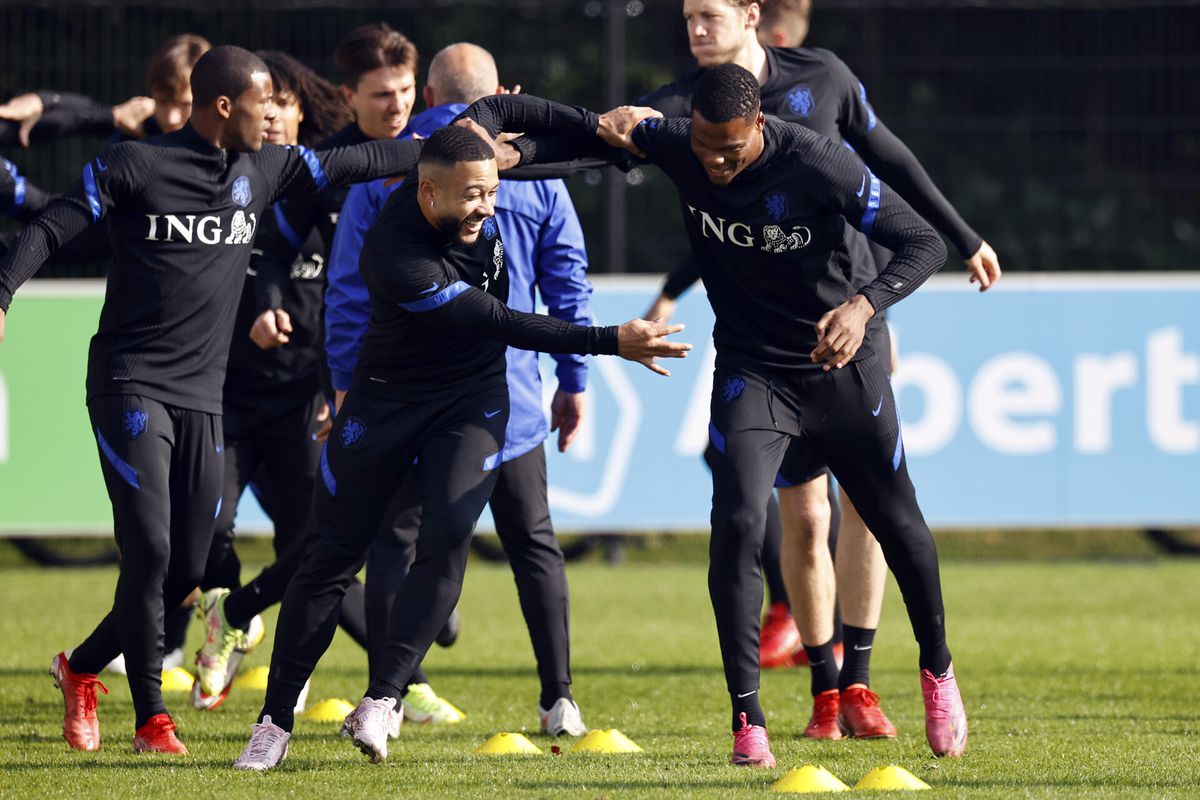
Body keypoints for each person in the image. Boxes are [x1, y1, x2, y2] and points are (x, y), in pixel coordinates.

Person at [458, 71, 969, 765]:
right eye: (705, 149)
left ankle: (937, 669)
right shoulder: (681, 146)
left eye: (731, 151)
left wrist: (863, 306)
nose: (717, 165)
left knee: (896, 521)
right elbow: (589, 141)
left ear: (758, 126)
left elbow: (923, 242)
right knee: (734, 520)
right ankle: (748, 721)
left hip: (838, 365)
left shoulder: (816, 160)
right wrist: (505, 158)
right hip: (753, 372)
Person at [0, 45, 433, 756]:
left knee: (189, 573)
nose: (276, 118)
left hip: (206, 397)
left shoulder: (261, 172)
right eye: (265, 106)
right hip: (129, 382)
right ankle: (150, 720)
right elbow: (49, 227)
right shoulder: (135, 166)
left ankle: (78, 668)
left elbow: (356, 162)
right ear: (226, 107)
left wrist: (436, 148)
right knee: (149, 548)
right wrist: (3, 293)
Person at [231, 121, 690, 771]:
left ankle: (383, 699)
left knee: (447, 537)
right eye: (472, 196)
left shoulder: (461, 173)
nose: (487, 207)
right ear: (427, 193)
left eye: (492, 192)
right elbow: (499, 320)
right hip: (384, 401)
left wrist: (611, 137)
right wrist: (612, 339)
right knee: (327, 559)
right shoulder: (396, 254)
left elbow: (519, 123)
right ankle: (274, 722)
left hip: (471, 400)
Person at [639, 0, 1001, 739]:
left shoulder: (822, 82)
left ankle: (867, 681)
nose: (696, 30)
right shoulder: (684, 110)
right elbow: (604, 140)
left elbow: (892, 164)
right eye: (687, 18)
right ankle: (826, 684)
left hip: (851, 317)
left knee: (870, 509)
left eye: (709, 15)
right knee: (803, 517)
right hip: (760, 346)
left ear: (750, 15)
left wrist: (961, 240)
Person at [188, 25, 463, 724]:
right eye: (381, 95)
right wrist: (271, 303)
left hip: (358, 378)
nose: (397, 105)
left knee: (337, 535)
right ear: (350, 98)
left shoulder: (432, 154)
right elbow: (271, 256)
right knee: (228, 534)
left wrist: (501, 108)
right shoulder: (323, 168)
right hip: (293, 384)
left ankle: (399, 660)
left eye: (406, 91)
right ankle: (240, 631)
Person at [324, 42, 594, 735]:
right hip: (514, 395)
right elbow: (567, 280)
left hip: (408, 396)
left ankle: (397, 690)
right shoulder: (527, 166)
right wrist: (575, 381)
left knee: (398, 544)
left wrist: (347, 386)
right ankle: (557, 697)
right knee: (533, 543)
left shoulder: (397, 164)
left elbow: (350, 292)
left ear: (428, 90)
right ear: (499, 90)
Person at [0, 33, 210, 147]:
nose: (172, 118)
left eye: (185, 105)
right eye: (163, 102)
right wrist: (43, 101)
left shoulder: (229, 146)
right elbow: (90, 115)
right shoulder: (144, 131)